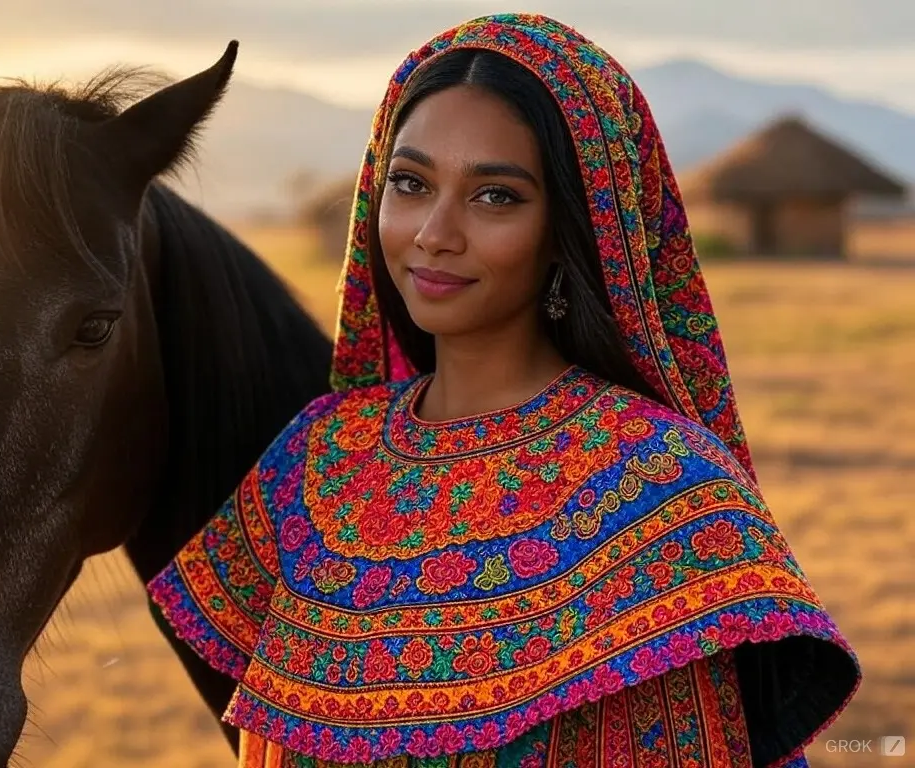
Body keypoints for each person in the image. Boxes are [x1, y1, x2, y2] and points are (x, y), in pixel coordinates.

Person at [147, 13, 860, 767]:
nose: (434, 232)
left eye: (495, 197)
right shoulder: (315, 465)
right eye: (411, 183)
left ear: (572, 228)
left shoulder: (665, 491)